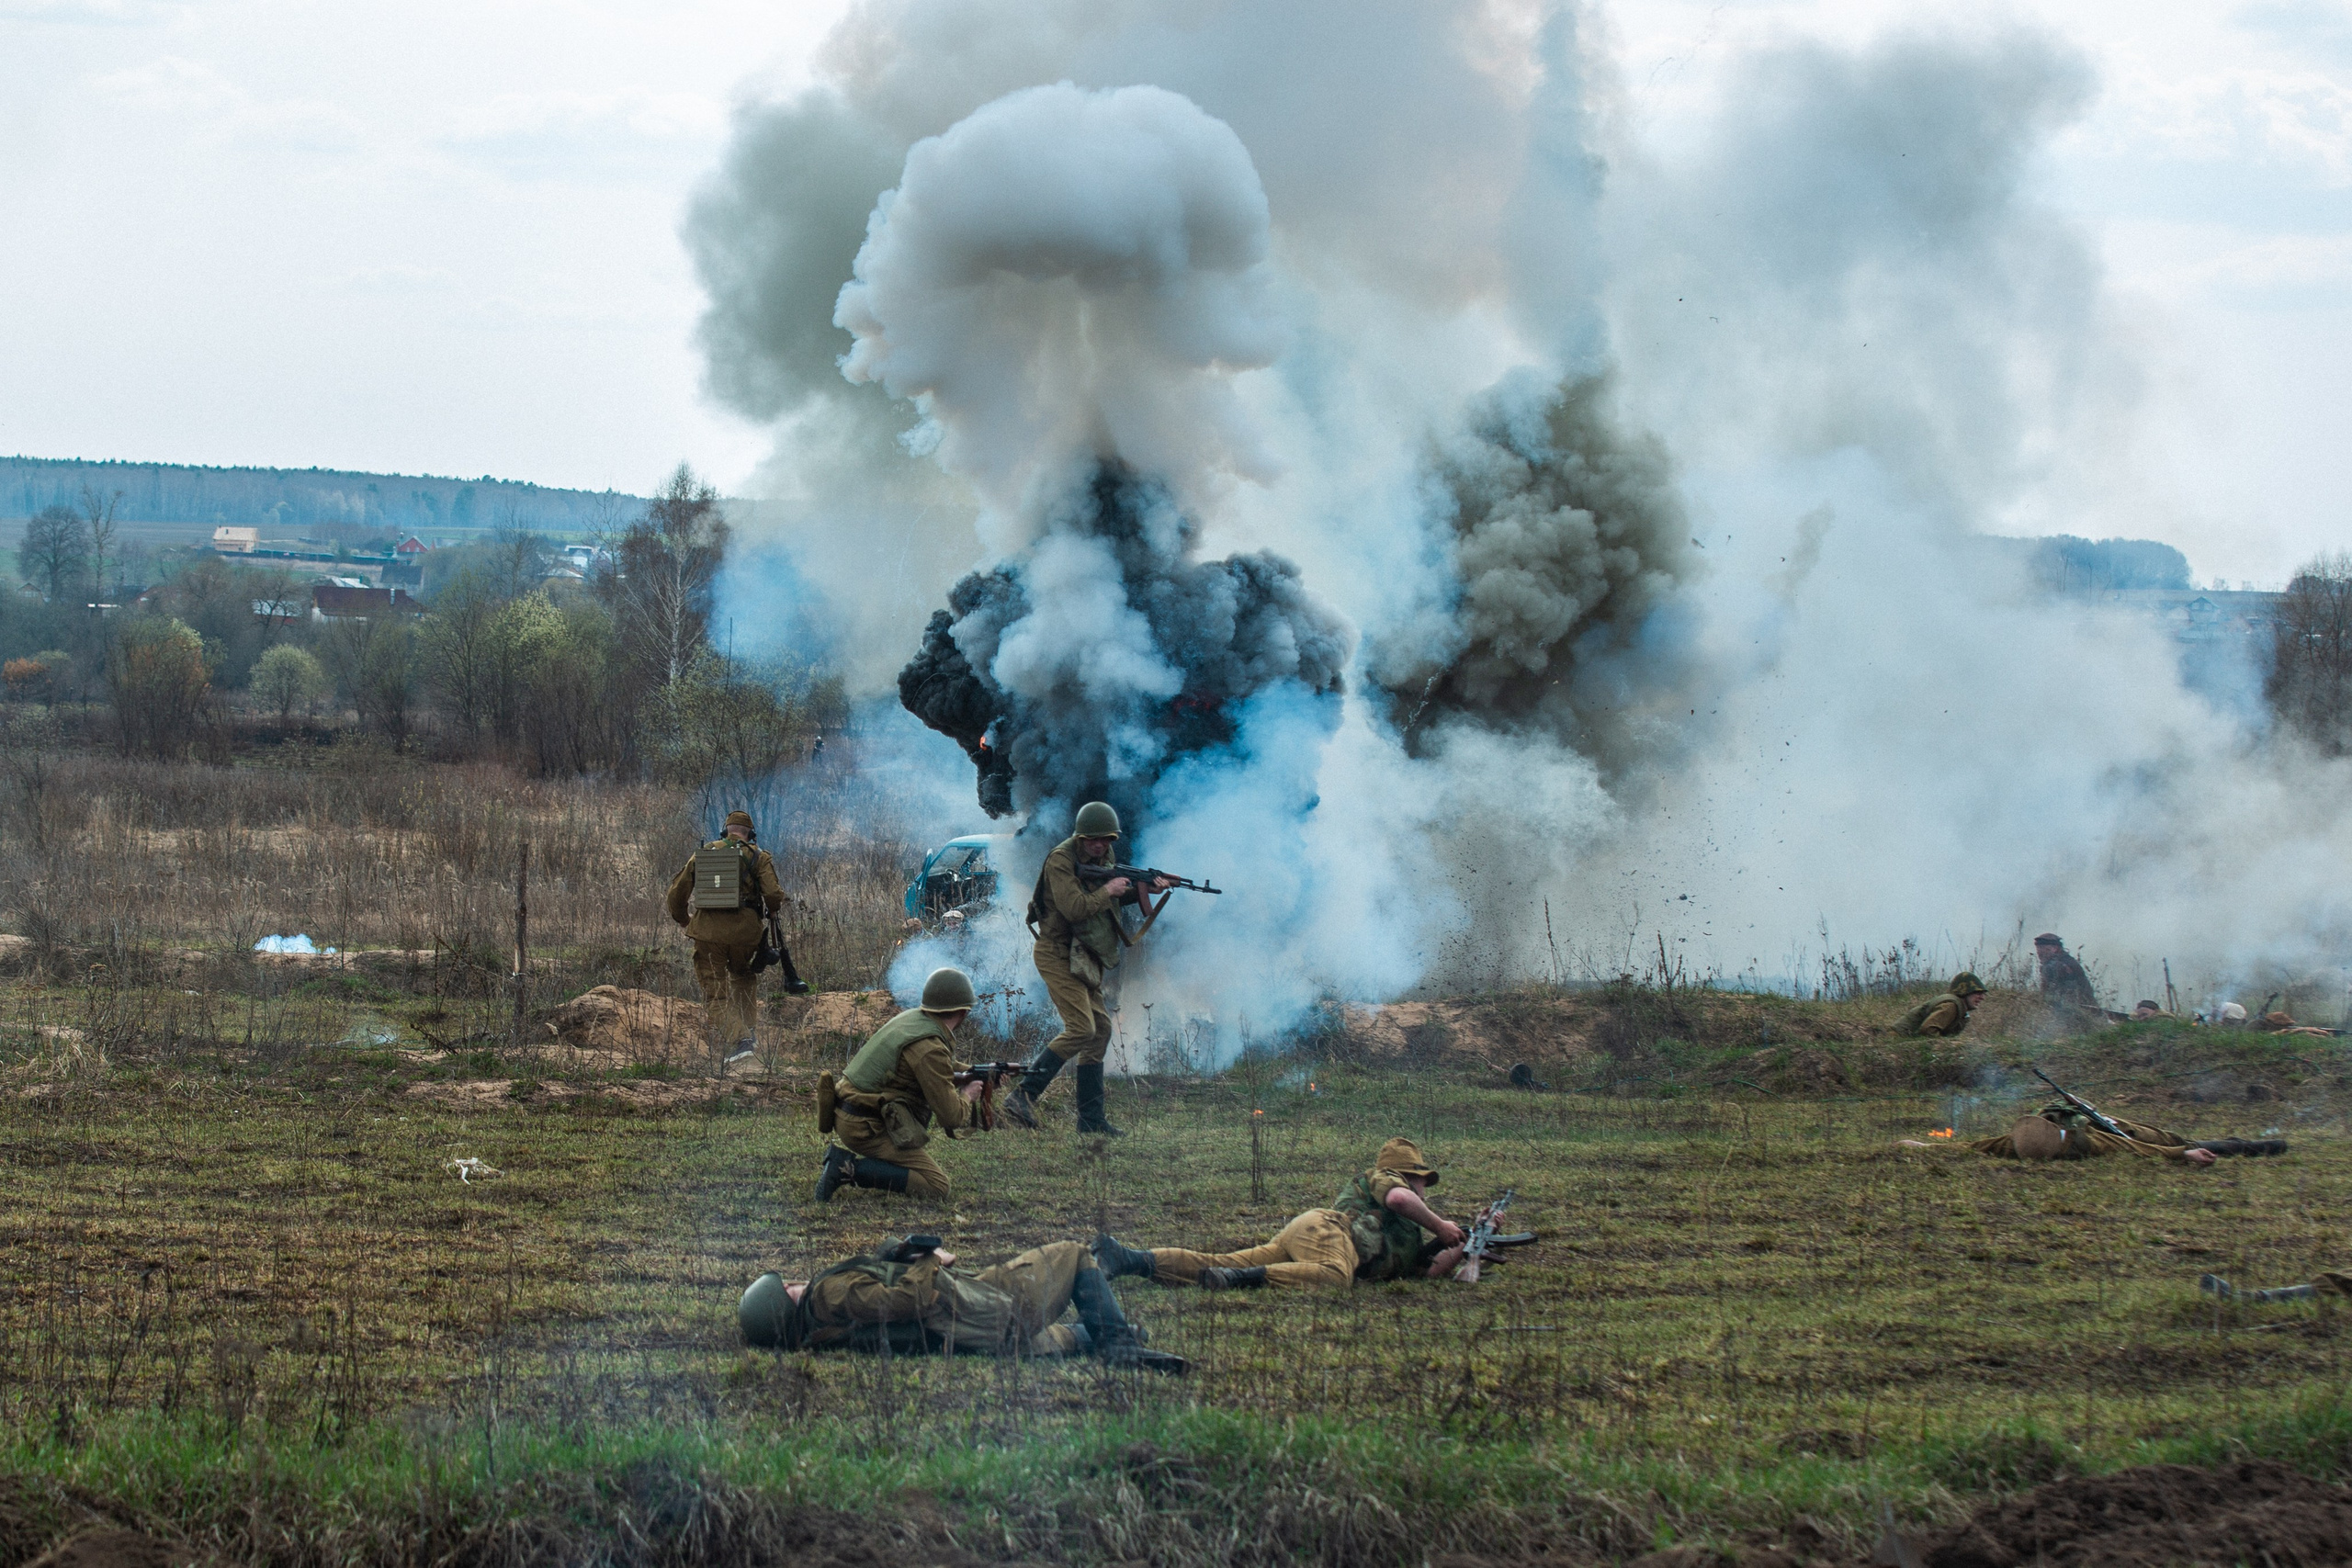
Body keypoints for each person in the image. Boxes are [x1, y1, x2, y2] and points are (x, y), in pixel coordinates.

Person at [737, 1235, 1187, 1372]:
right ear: (787, 1302)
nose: (793, 1282)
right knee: (1074, 1253)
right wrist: (934, 1258)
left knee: (1059, 1338)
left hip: (971, 1337)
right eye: (786, 1288)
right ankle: (1117, 1346)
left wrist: (894, 1255)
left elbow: (881, 1302)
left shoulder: (823, 1327)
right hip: (980, 1308)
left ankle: (1113, 1336)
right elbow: (912, 1298)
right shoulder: (829, 1295)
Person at [1091, 1138, 1477, 1290]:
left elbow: (1426, 1273)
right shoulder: (1388, 1180)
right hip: (1328, 1233)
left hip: (1308, 1237)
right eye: (1422, 1179)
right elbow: (1398, 1200)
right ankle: (1241, 1280)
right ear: (1409, 1174)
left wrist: (1467, 1242)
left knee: (1218, 1261)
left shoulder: (1410, 1234)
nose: (1424, 1188)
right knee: (1335, 1278)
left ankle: (1128, 1258)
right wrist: (1441, 1224)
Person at [1000, 802, 1172, 1136]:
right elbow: (1076, 907)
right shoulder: (1061, 860)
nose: (1100, 846)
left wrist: (1142, 891)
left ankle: (1090, 1121)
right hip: (1055, 953)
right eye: (1093, 840)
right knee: (1081, 1028)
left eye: (1106, 840)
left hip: (1082, 954)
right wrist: (1109, 889)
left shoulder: (1104, 859)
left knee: (1101, 1029)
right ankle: (1021, 1097)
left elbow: (1107, 899)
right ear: (1080, 837)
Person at [814, 967, 987, 1202]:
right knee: (936, 1187)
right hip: (865, 1128)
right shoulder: (930, 1047)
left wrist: (976, 1072)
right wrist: (968, 1095)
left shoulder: (914, 1020)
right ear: (964, 1012)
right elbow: (952, 1117)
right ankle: (846, 1169)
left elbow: (939, 1065)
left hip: (850, 1114)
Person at [663, 810, 785, 1051]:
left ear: (725, 831)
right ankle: (748, 1032)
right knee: (743, 975)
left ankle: (741, 1041)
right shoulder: (758, 856)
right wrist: (772, 910)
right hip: (746, 935)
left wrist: (683, 919)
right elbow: (772, 894)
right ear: (750, 834)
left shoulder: (705, 853)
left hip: (708, 934)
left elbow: (676, 894)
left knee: (716, 996)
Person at [2033, 933, 2102, 1029]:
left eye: (2044, 949)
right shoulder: (2060, 963)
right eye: (2038, 950)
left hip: (2078, 1012)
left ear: (2055, 948)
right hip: (2075, 1010)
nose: (2040, 953)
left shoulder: (2061, 965)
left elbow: (2071, 994)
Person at [1895, 973, 1988, 1038]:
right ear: (1965, 992)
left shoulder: (1961, 1011)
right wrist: (1946, 1044)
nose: (1982, 997)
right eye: (1978, 993)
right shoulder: (1951, 1006)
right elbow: (1928, 1030)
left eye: (1983, 994)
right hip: (1898, 1039)